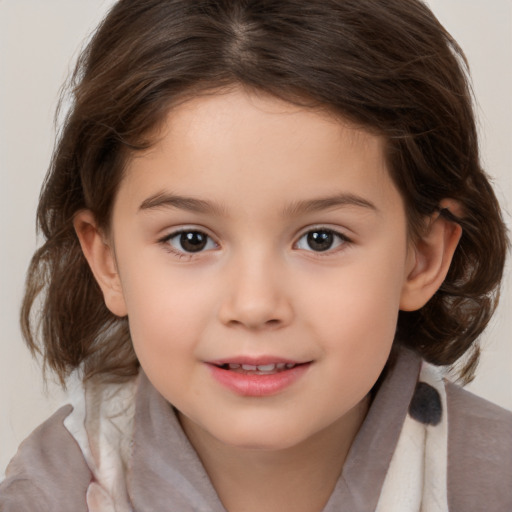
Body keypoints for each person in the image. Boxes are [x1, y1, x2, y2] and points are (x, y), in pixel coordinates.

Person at [1, 0, 510, 510]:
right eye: (191, 240)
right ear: (108, 261)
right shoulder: (51, 491)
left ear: (420, 256)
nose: (254, 304)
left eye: (321, 239)